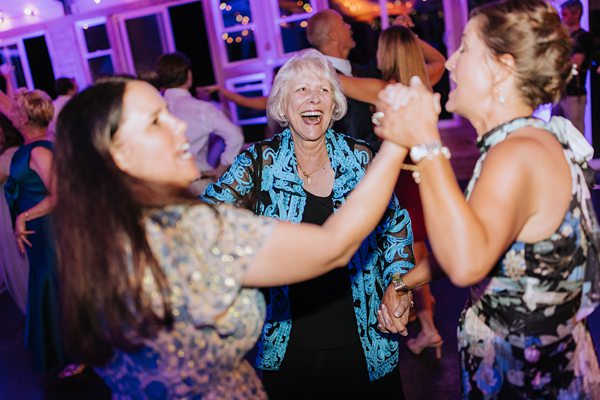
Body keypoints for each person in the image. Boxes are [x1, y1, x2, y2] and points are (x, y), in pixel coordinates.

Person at [52, 75, 411, 399]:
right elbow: (334, 247)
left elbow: (392, 225)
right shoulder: (187, 231)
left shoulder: (105, 234)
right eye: (156, 121)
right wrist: (397, 142)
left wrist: (399, 282)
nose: (179, 124)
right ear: (117, 155)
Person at [375, 0, 600, 397]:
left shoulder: (518, 153)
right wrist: (404, 283)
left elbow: (466, 262)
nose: (450, 63)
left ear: (500, 67)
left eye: (464, 48)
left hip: (531, 382)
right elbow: (478, 236)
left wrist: (426, 141)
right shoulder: (520, 142)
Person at [203, 49, 414, 399]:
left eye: (323, 90)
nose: (314, 98)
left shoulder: (362, 158)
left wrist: (400, 285)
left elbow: (395, 225)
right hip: (288, 343)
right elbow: (204, 222)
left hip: (365, 339)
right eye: (301, 90)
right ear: (283, 107)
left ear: (335, 107)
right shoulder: (258, 163)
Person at [339, 23, 445, 359]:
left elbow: (337, 81)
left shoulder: (381, 88)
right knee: (419, 251)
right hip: (424, 174)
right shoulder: (425, 81)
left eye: (381, 48)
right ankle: (422, 316)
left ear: (387, 52)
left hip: (398, 175)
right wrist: (413, 39)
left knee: (412, 254)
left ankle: (428, 330)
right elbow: (439, 57)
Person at [4, 89, 64, 373]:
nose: (10, 114)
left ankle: (71, 353)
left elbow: (59, 195)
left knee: (54, 284)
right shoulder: (31, 145)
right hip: (37, 231)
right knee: (45, 280)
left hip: (49, 228)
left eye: (16, 111)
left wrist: (23, 217)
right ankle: (56, 351)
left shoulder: (40, 150)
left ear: (25, 118)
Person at [156, 52, 244, 190]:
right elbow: (236, 136)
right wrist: (220, 170)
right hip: (198, 183)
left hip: (163, 187)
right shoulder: (202, 109)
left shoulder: (151, 109)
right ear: (189, 76)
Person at [306, 9, 379, 148]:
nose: (349, 26)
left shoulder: (359, 70)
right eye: (343, 23)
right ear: (334, 35)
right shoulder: (317, 79)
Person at [0, 112, 28, 314]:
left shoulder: (9, 157)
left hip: (15, 216)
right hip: (16, 215)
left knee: (23, 266)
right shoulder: (20, 152)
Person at [552, 0, 593, 134]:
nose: (562, 18)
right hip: (559, 91)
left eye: (565, 14)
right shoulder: (563, 38)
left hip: (574, 92)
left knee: (575, 133)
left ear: (576, 14)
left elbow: (576, 63)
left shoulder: (583, 37)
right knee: (556, 131)